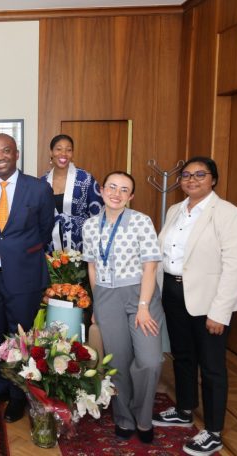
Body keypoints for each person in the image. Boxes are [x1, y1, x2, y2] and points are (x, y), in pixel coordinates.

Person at [152, 157, 237, 456]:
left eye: (200, 174)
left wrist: (220, 311)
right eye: (186, 175)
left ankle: (214, 431)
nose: (191, 179)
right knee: (182, 356)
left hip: (209, 301)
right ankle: (184, 410)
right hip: (173, 292)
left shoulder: (229, 215)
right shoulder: (175, 210)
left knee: (211, 367)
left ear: (213, 179)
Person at [0, 133, 54, 423]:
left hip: (24, 275)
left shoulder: (39, 189)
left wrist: (19, 250)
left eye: (5, 151)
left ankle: (18, 395)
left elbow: (45, 230)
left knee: (18, 338)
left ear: (16, 153)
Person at [82, 171, 164, 444]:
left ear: (131, 196)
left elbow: (150, 266)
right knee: (117, 362)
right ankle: (125, 418)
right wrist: (96, 303)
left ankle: (143, 417)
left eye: (124, 189)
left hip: (141, 294)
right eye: (112, 187)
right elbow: (91, 267)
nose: (116, 193)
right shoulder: (90, 226)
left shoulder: (142, 222)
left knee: (150, 361)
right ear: (102, 190)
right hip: (106, 297)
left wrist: (143, 306)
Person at [40, 134, 103, 252]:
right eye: (58, 149)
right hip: (49, 245)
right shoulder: (42, 182)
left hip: (80, 243)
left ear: (72, 154)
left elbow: (98, 213)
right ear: (51, 152)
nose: (63, 154)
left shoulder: (85, 179)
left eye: (68, 150)